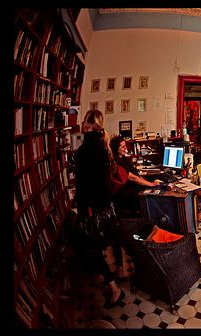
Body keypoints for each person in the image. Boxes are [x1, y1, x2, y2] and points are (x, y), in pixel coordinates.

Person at [74, 109, 125, 308]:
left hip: (93, 208)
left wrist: (81, 209)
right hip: (106, 206)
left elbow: (82, 185)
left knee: (90, 247)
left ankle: (114, 289)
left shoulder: (85, 149)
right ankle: (120, 271)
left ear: (87, 124)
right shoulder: (103, 147)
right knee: (111, 239)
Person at [109, 135, 160, 217]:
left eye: (125, 146)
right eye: (123, 147)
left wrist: (150, 183)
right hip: (124, 193)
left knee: (151, 187)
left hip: (132, 186)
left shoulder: (124, 158)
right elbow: (132, 177)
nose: (125, 148)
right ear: (116, 148)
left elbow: (137, 175)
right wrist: (151, 184)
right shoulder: (116, 162)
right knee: (147, 195)